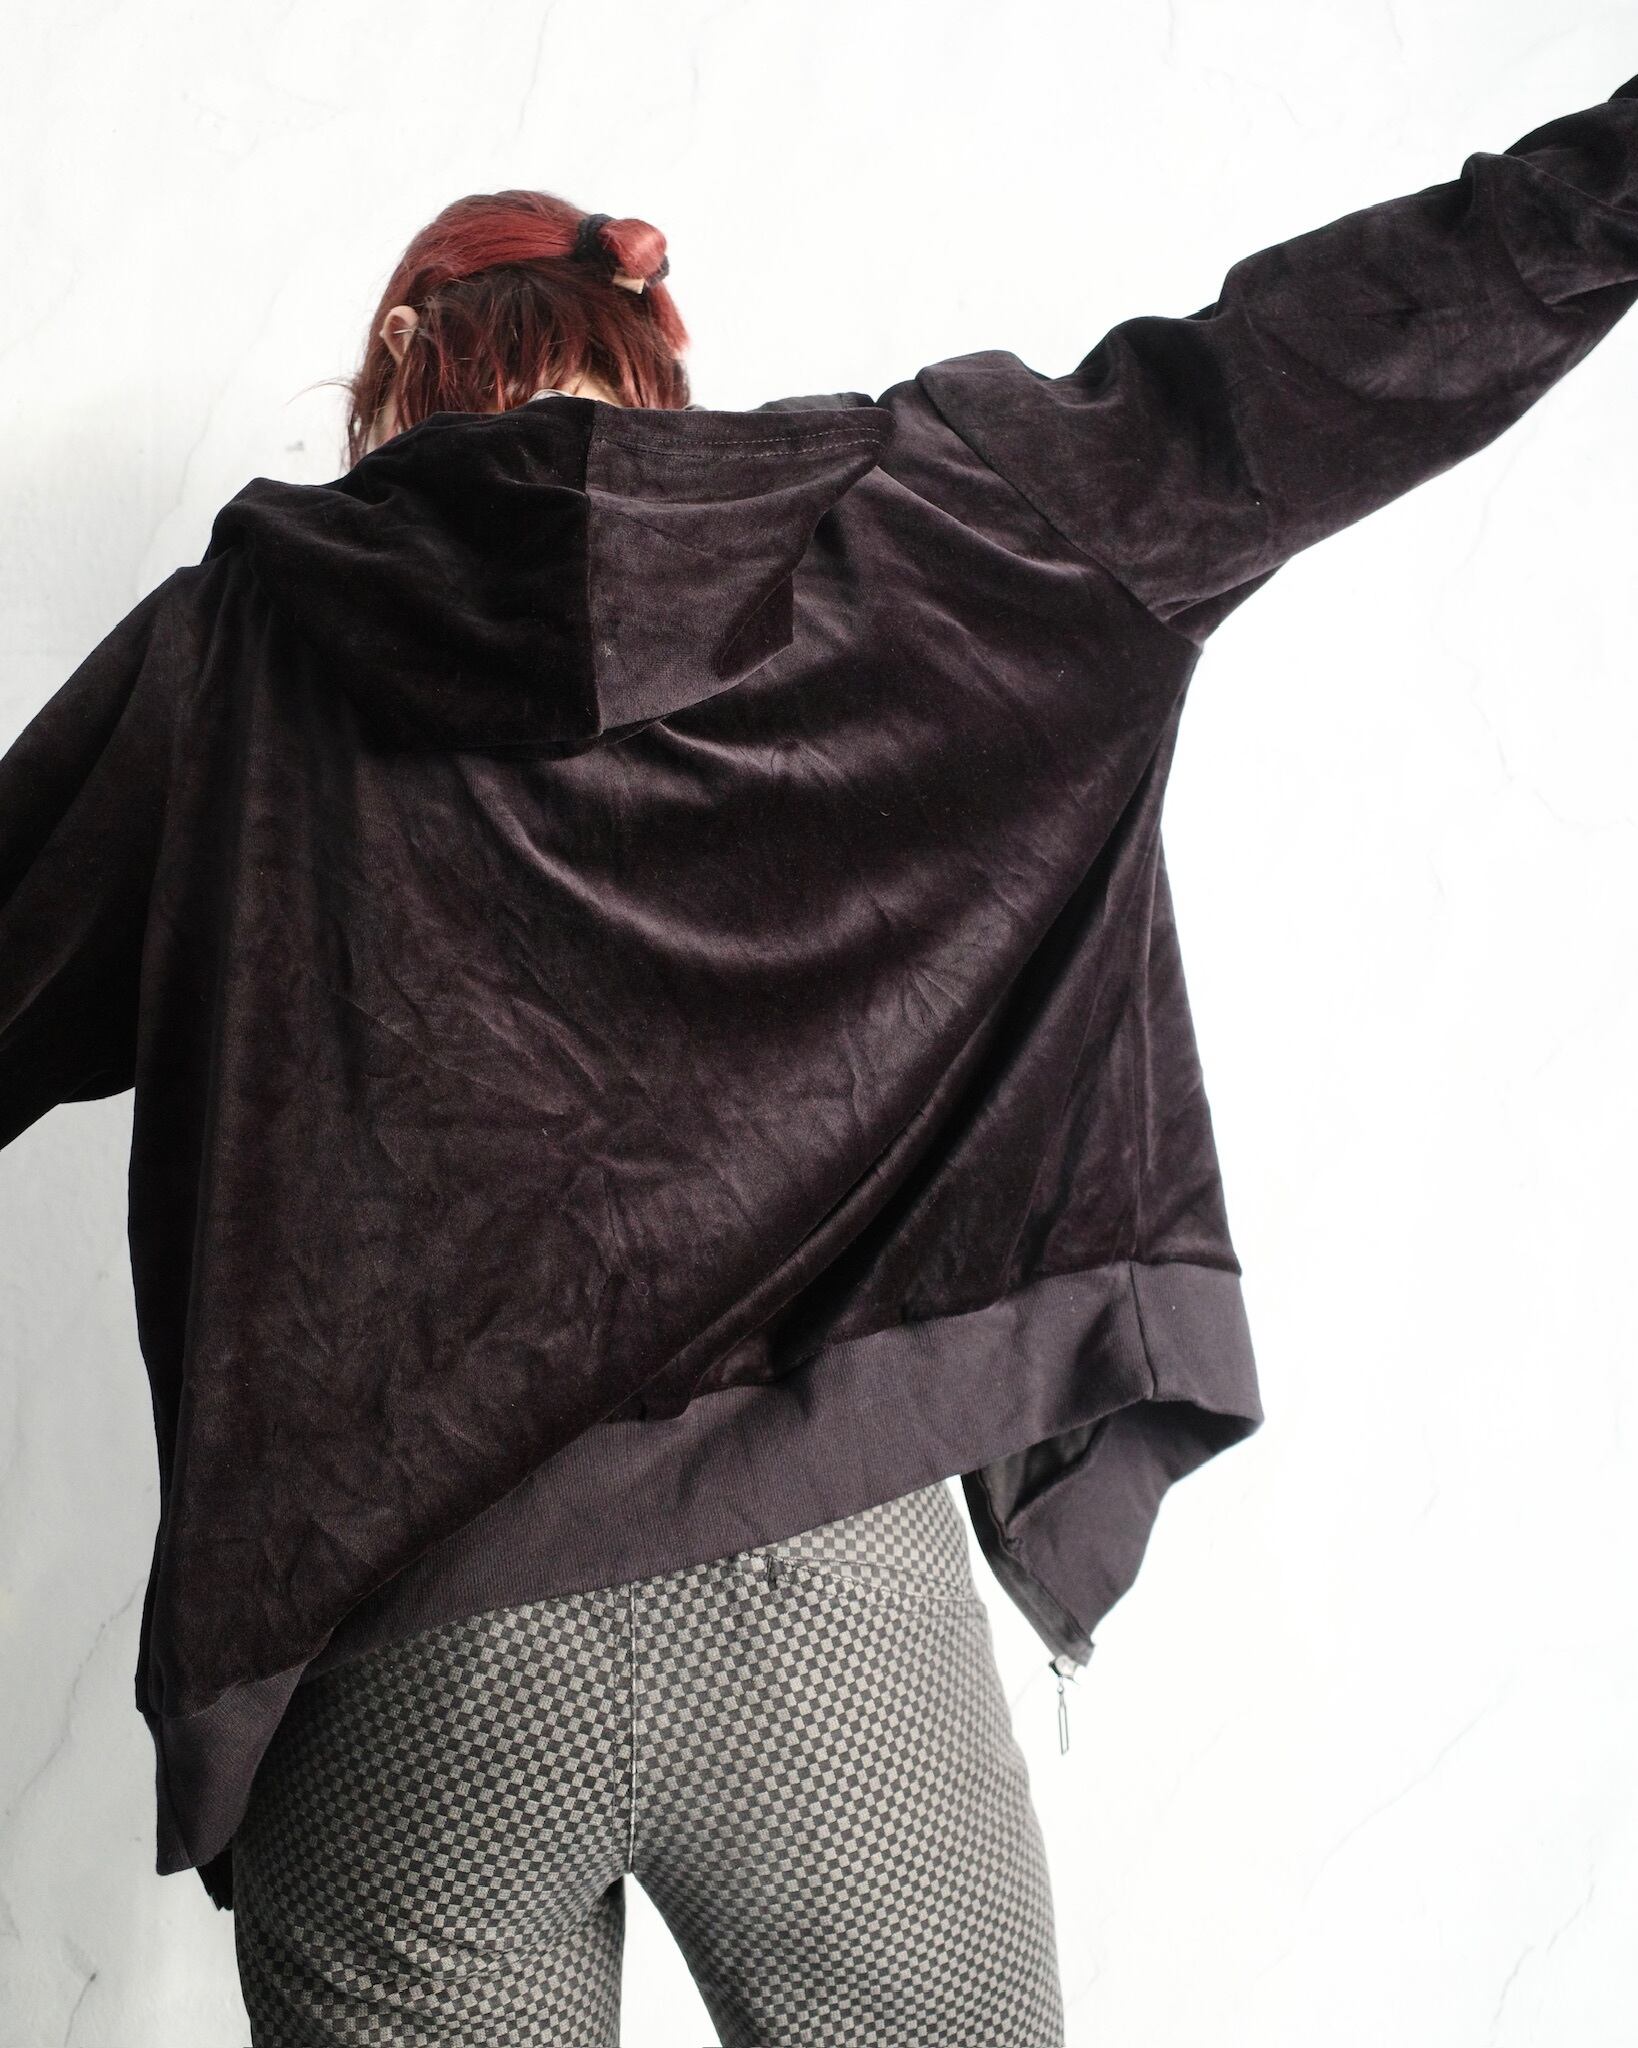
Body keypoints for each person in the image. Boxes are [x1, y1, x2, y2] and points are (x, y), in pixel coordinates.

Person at [3, 71, 1637, 2048]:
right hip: (819, 1600)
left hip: (399, 1658)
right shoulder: (927, 519)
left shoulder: (231, 655)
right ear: (655, 351)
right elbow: (1297, 369)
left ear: (394, 379)